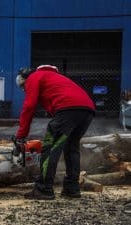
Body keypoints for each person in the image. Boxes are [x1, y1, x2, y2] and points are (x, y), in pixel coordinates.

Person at [15, 65, 95, 200]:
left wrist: (21, 136)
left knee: (50, 147)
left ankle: (44, 189)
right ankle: (72, 188)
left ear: (25, 79)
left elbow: (29, 106)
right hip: (87, 110)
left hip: (67, 109)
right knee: (71, 148)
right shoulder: (56, 78)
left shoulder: (34, 77)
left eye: (23, 86)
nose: (24, 89)